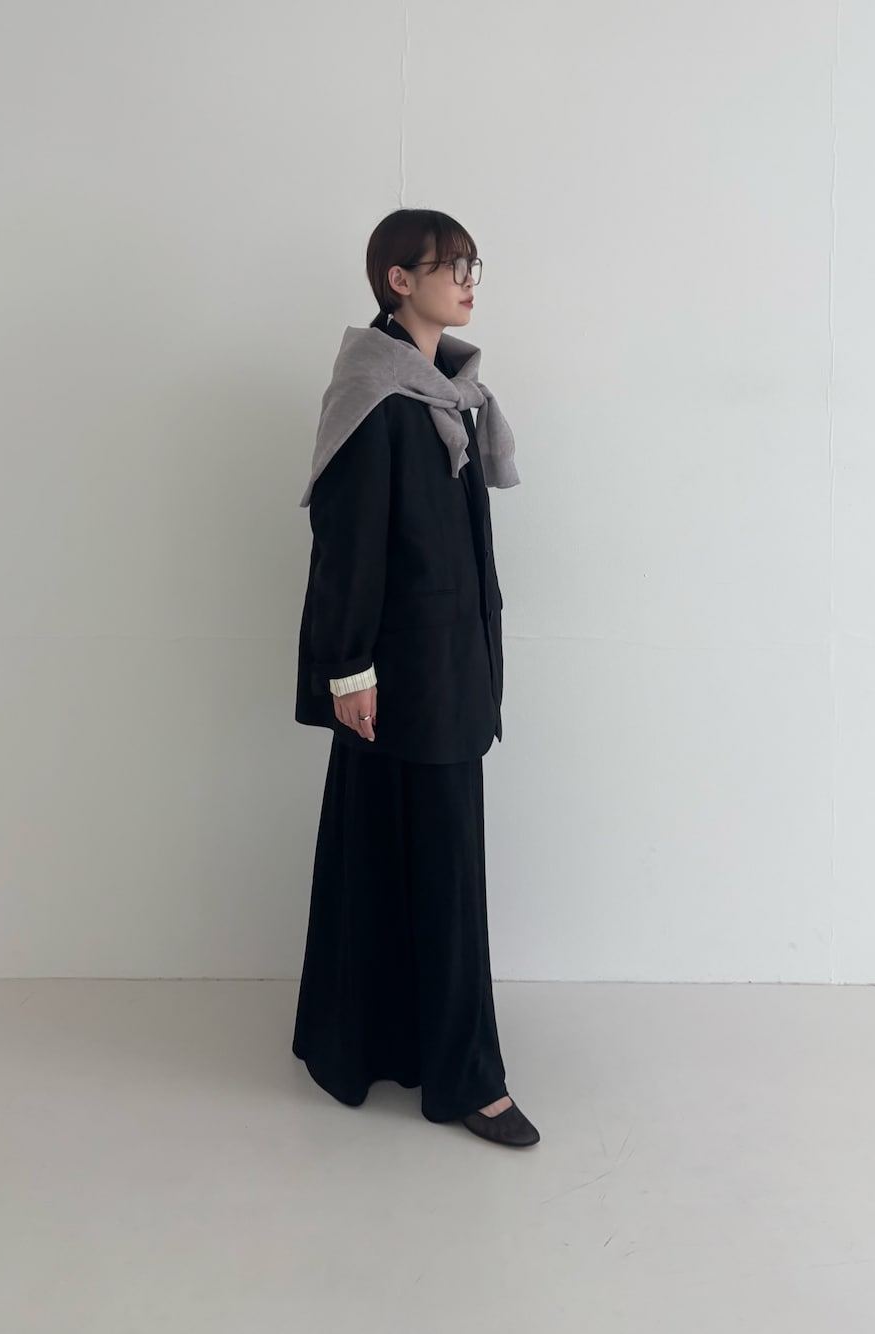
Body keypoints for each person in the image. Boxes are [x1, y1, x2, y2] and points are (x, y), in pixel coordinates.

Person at [292, 208, 540, 1148]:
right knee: (439, 873)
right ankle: (469, 1079)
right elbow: (346, 546)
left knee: (389, 855)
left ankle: (359, 1042)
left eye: (474, 266)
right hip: (397, 677)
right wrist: (347, 669)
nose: (468, 283)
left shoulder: (447, 395)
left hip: (446, 669)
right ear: (399, 280)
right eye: (450, 266)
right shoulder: (375, 396)